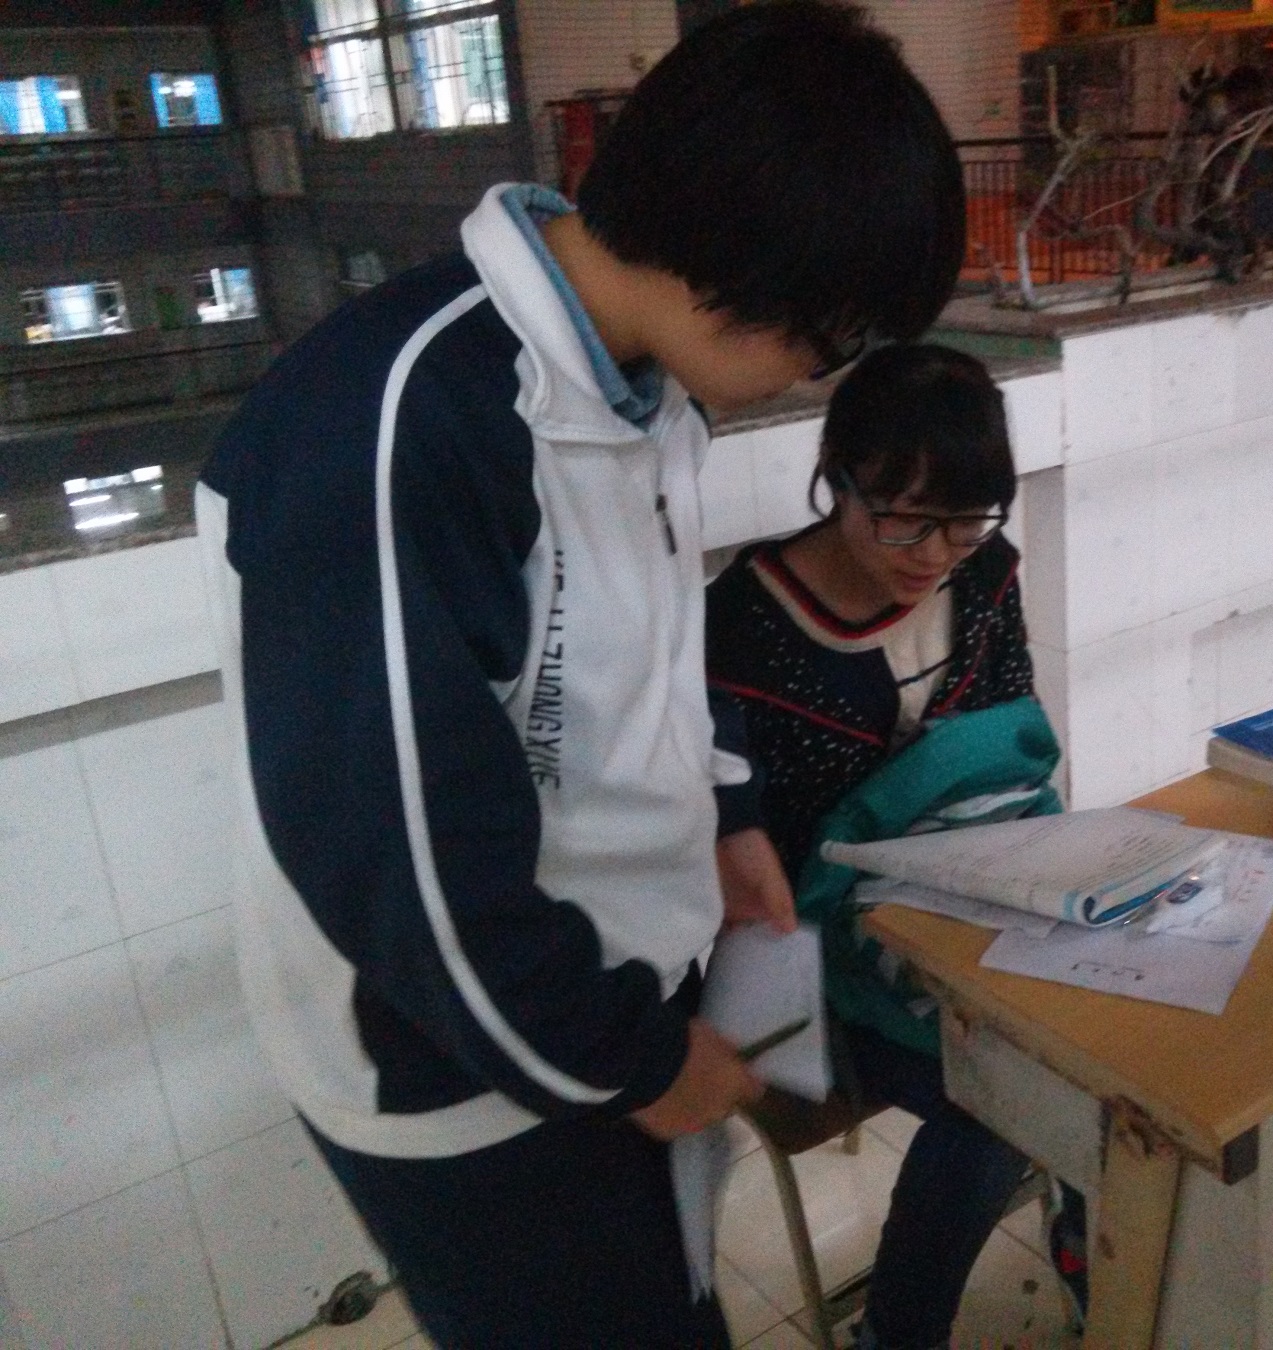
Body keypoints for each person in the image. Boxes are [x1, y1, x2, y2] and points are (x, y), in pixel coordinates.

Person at [192, 5, 965, 1347]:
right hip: (470, 1074)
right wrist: (634, 1060)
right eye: (830, 338)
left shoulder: (642, 388)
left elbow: (658, 641)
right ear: (748, 262)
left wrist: (727, 815)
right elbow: (398, 858)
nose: (817, 375)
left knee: (673, 1307)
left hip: (606, 1005)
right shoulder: (395, 426)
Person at [706, 344, 1086, 1350]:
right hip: (817, 968)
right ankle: (900, 1332)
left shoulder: (985, 574)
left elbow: (1011, 758)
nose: (933, 553)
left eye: (965, 520)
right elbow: (740, 855)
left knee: (1109, 1047)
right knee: (1010, 1103)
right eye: (905, 519)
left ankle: (1087, 1244)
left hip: (980, 908)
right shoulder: (739, 629)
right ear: (837, 479)